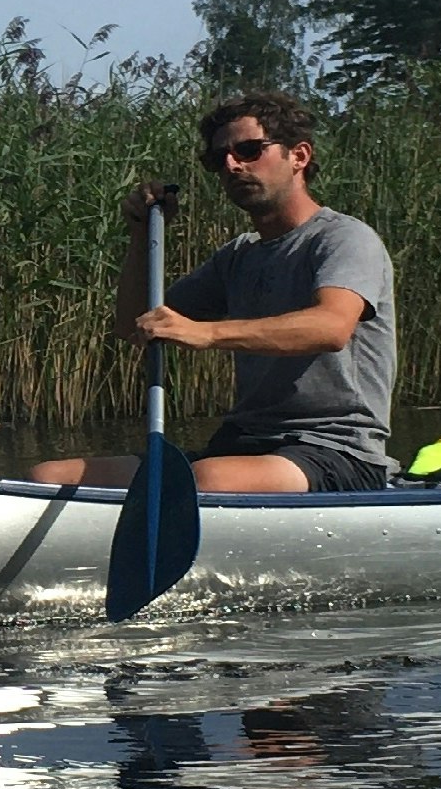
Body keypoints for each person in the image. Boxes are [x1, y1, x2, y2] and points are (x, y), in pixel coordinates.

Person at [30, 92, 398, 493]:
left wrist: (205, 333)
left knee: (206, 479)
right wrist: (141, 234)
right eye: (219, 158)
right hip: (244, 445)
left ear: (299, 156)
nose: (232, 165)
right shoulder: (238, 256)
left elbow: (330, 327)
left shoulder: (344, 238)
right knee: (51, 477)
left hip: (337, 451)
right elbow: (133, 324)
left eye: (249, 150)